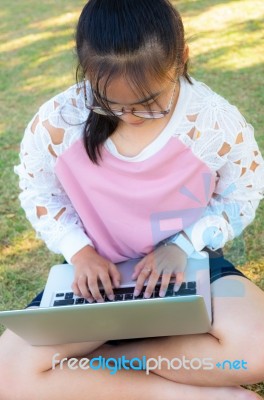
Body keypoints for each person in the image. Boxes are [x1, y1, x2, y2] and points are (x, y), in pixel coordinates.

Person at [0, 0, 264, 399]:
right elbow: (39, 193)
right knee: (7, 376)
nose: (131, 116)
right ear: (86, 70)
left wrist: (183, 245)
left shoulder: (213, 121)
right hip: (95, 279)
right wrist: (80, 253)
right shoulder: (58, 121)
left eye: (149, 103)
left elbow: (241, 194)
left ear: (182, 59)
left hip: (186, 266)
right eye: (110, 102)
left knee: (258, 348)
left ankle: (109, 360)